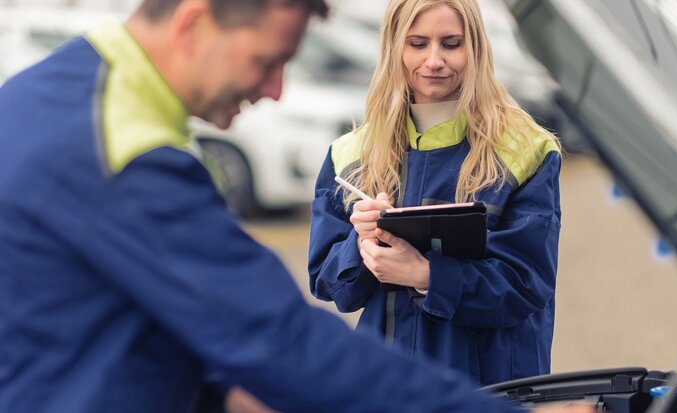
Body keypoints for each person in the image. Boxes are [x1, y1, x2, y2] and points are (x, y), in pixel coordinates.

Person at [0, 0, 589, 412]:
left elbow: (107, 321)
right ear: (194, 25)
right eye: (268, 59)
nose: (275, 89)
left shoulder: (40, 97)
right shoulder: (125, 153)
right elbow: (276, 338)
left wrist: (221, 392)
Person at [309, 0, 562, 387]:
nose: (433, 60)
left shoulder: (525, 149)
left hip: (491, 390)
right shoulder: (350, 154)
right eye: (417, 43)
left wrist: (426, 275)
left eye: (450, 43)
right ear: (394, 48)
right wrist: (359, 243)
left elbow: (527, 285)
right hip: (388, 388)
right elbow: (332, 287)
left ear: (475, 47)